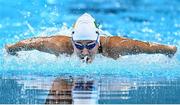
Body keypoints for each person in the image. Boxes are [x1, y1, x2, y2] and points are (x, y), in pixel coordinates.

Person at [5, 13, 177, 63]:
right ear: (72, 41)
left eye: (90, 45)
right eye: (78, 45)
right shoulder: (59, 45)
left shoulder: (114, 46)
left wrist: (169, 51)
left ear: (98, 40)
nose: (84, 51)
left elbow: (147, 47)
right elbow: (33, 43)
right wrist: (11, 49)